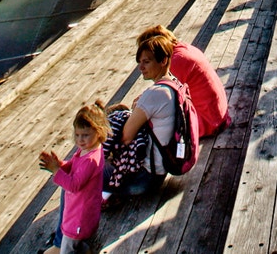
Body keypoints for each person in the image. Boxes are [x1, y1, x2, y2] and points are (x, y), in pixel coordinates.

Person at [101, 40, 182, 194]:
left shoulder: (154, 93)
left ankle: (71, 217)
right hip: (159, 172)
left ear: (163, 60)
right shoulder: (174, 84)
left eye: (146, 61)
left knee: (79, 172)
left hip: (142, 179)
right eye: (139, 62)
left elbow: (126, 137)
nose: (141, 67)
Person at [39, 102, 108, 254]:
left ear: (99, 132)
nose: (80, 140)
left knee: (68, 248)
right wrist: (60, 165)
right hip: (76, 214)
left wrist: (56, 170)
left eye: (85, 135)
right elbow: (74, 166)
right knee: (76, 244)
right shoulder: (87, 149)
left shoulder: (91, 159)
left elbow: (74, 185)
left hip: (79, 217)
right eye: (77, 135)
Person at [137, 25, 229, 137]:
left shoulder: (176, 61)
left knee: (146, 125)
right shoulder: (185, 49)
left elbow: (163, 100)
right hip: (216, 115)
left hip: (206, 122)